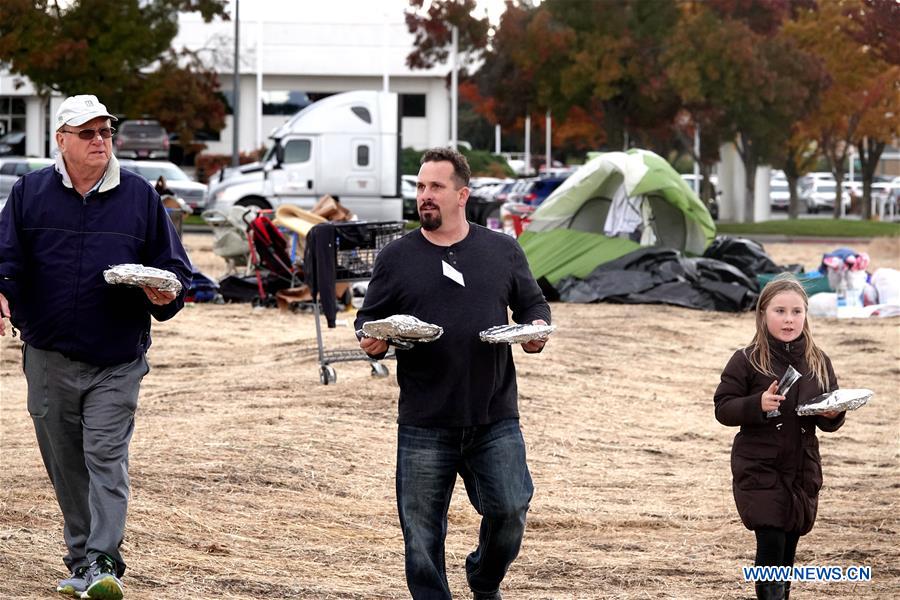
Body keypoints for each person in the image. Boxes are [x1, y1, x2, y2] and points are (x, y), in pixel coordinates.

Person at [0, 94, 191, 600]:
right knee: (66, 464)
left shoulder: (139, 197)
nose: (100, 140)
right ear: (61, 139)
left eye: (105, 131)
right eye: (87, 133)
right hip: (47, 355)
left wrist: (164, 292)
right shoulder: (29, 193)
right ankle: (83, 560)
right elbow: (7, 261)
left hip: (117, 357)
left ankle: (104, 560)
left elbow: (176, 272)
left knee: (106, 457)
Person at [355, 147, 551, 600]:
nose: (425, 196)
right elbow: (369, 321)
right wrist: (374, 341)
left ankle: (483, 578)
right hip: (425, 418)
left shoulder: (502, 250)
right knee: (421, 538)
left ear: (462, 194)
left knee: (510, 510)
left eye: (435, 187)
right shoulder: (398, 257)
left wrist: (536, 330)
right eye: (420, 187)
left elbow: (533, 306)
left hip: (493, 414)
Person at [713, 274, 845, 600]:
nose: (789, 319)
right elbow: (723, 408)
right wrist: (756, 404)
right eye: (780, 311)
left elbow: (832, 408)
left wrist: (832, 414)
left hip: (802, 466)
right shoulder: (747, 359)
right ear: (763, 314)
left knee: (788, 546)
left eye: (797, 311)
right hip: (759, 466)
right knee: (770, 542)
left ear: (806, 315)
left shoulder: (818, 360)